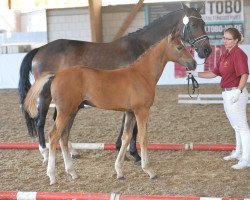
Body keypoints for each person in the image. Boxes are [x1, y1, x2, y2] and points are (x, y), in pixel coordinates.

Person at [188, 27, 250, 169]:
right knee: (236, 126)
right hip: (227, 93)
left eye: (228, 39)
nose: (225, 41)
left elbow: (244, 74)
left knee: (242, 126)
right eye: (224, 38)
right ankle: (239, 152)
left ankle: (246, 159)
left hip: (235, 93)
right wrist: (196, 74)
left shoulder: (238, 54)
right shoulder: (225, 55)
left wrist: (239, 91)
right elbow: (214, 72)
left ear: (235, 41)